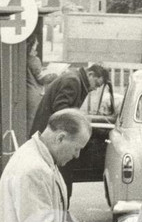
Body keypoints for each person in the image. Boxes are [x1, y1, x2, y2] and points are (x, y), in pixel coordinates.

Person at [29, 63, 107, 200]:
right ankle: (61, 212)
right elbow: (62, 109)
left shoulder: (74, 79)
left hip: (49, 136)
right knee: (60, 180)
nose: (95, 88)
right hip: (51, 138)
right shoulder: (73, 81)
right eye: (97, 83)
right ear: (90, 74)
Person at [25, 38, 56, 134]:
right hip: (35, 94)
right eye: (36, 43)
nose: (37, 45)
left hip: (27, 92)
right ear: (32, 45)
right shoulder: (34, 59)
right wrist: (55, 75)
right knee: (33, 121)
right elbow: (43, 79)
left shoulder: (25, 58)